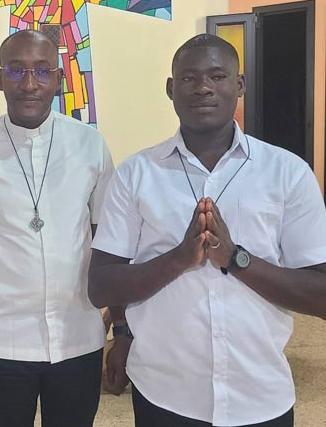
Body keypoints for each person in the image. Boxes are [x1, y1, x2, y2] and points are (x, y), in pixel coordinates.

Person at [88, 33, 326, 427]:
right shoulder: (136, 174)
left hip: (260, 395)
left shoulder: (288, 173)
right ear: (170, 88)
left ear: (239, 85)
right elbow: (101, 286)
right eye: (189, 78)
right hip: (165, 395)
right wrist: (180, 259)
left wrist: (235, 258)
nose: (203, 88)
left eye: (217, 76)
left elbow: (321, 295)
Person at [0, 29, 114, 427]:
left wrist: (119, 329)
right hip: (2, 340)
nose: (30, 83)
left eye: (42, 70)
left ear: (59, 78)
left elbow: (109, 247)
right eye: (16, 71)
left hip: (78, 336)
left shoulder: (90, 147)